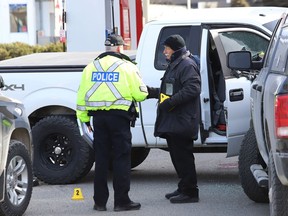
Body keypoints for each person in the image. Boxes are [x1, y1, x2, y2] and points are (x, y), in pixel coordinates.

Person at [76, 34, 148, 211]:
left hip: (98, 119)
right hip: (119, 119)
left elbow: (81, 97)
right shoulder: (127, 67)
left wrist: (85, 119)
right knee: (121, 158)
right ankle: (122, 201)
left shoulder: (90, 67)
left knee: (101, 159)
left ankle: (99, 203)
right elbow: (141, 94)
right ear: (119, 47)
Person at [147, 34, 201, 203]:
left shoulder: (187, 64)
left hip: (182, 120)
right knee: (177, 156)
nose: (164, 52)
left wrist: (169, 103)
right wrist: (152, 92)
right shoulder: (176, 64)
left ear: (175, 49)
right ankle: (183, 186)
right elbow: (171, 90)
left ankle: (190, 192)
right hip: (175, 120)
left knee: (183, 156)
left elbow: (193, 88)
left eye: (167, 48)